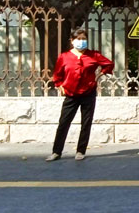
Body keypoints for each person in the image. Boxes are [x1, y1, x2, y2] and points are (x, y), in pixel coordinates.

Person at [46, 29, 114, 161]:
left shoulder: (94, 55)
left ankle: (80, 151)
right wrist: (60, 86)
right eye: (78, 39)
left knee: (86, 122)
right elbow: (57, 74)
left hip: (88, 92)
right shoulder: (64, 56)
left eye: (84, 39)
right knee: (64, 122)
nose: (81, 41)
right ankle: (56, 152)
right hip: (71, 94)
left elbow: (108, 64)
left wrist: (100, 74)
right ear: (72, 41)